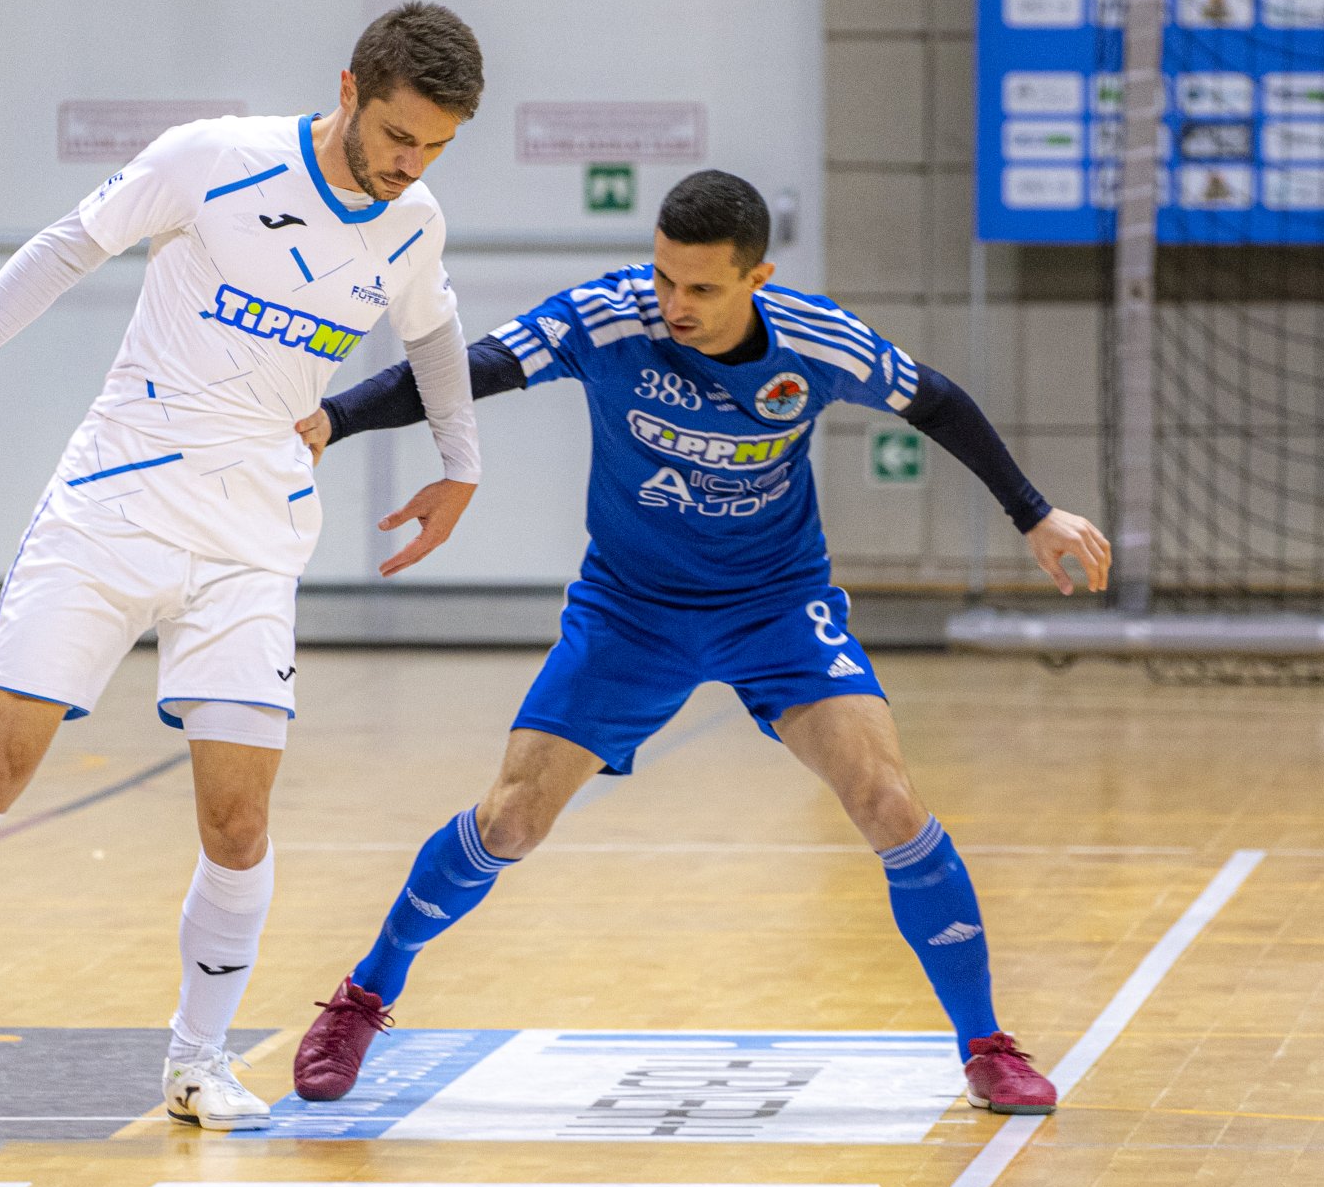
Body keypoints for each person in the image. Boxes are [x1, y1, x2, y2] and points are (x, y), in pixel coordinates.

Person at [0, 2, 488, 1132]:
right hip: (114, 504)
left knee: (238, 821)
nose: (411, 166)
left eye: (436, 149)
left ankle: (197, 1062)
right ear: (353, 86)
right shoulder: (213, 158)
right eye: (400, 136)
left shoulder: (414, 224)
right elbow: (68, 246)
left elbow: (434, 336)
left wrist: (459, 464)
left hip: (253, 537)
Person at [288, 170, 1111, 1116]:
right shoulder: (606, 319)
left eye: (703, 289)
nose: (674, 305)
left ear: (757, 275)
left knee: (888, 799)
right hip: (632, 611)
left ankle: (985, 1044)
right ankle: (363, 995)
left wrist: (1033, 514)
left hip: (775, 606)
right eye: (665, 278)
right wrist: (335, 419)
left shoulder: (817, 342)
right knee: (511, 818)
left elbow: (937, 402)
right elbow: (463, 370)